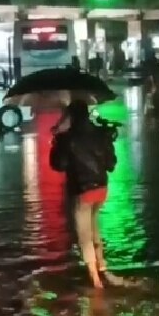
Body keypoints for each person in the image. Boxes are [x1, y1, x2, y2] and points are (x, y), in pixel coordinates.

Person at [49, 101, 118, 288]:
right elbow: (111, 165)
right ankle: (103, 267)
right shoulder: (100, 134)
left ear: (71, 117)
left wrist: (56, 140)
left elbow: (58, 165)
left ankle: (96, 281)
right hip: (101, 189)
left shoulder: (68, 138)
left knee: (84, 235)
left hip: (82, 190)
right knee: (95, 228)